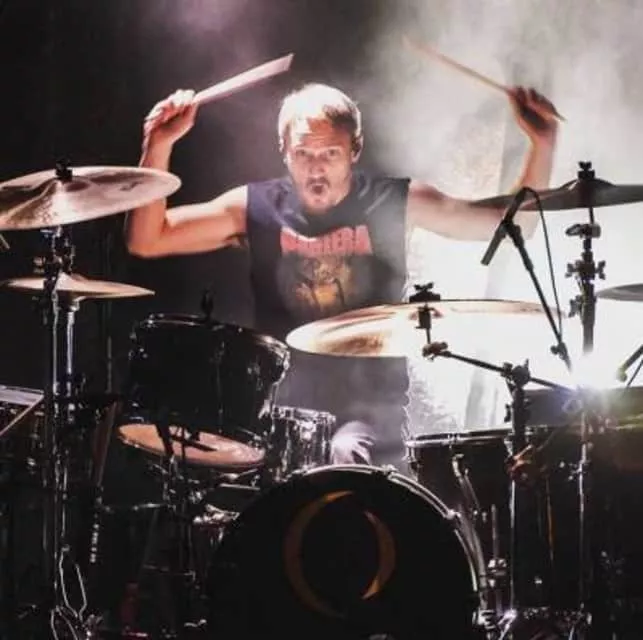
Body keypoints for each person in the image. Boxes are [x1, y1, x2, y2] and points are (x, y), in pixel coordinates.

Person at [126, 82, 559, 469]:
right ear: (283, 150)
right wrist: (158, 143)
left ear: (355, 149)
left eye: (330, 154)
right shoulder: (253, 207)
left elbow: (508, 227)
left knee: (344, 453)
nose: (316, 168)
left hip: (370, 414)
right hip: (278, 410)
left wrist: (542, 145)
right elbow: (147, 239)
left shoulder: (395, 201)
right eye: (303, 154)